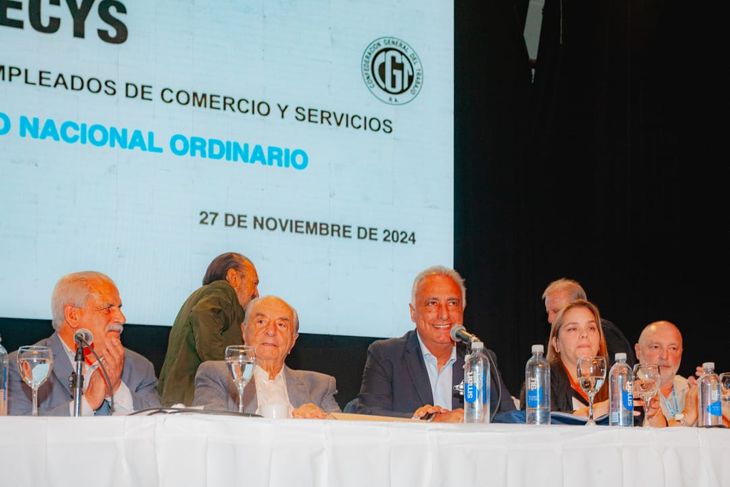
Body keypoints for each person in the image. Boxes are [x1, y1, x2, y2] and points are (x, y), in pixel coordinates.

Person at [354, 266, 515, 422]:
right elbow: (369, 415)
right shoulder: (386, 355)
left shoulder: (480, 358)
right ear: (413, 312)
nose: (444, 314)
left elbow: (509, 418)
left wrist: (472, 419)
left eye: (452, 303)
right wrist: (428, 420)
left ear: (463, 311)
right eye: (432, 303)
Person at [6, 271, 160, 415]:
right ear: (73, 315)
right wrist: (88, 401)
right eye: (108, 309)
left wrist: (117, 390)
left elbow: (158, 428)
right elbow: (20, 434)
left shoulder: (139, 368)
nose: (121, 318)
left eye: (119, 308)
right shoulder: (23, 366)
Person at [193, 295, 340, 418]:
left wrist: (321, 423)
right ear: (244, 332)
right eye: (261, 322)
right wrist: (293, 420)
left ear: (293, 340)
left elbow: (343, 435)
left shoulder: (319, 386)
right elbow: (211, 429)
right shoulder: (217, 375)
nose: (271, 331)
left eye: (281, 325)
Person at [158, 252, 260, 406]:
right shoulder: (223, 290)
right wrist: (229, 371)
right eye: (255, 283)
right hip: (195, 399)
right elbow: (203, 315)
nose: (257, 293)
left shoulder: (200, 296)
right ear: (233, 277)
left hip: (178, 398)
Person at [542, 278, 635, 366]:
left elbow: (622, 372)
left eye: (556, 311)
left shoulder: (605, 331)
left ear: (578, 304)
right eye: (548, 313)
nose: (549, 319)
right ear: (556, 344)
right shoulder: (548, 376)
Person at [541, 299, 609, 416]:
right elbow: (542, 422)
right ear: (556, 344)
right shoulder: (542, 378)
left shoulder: (615, 380)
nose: (584, 334)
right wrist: (595, 411)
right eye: (573, 328)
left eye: (591, 328)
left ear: (599, 343)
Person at [634, 320, 699, 427]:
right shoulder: (626, 391)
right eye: (656, 347)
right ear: (638, 351)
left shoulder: (691, 389)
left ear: (681, 353)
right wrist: (687, 416)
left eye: (673, 348)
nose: (664, 356)